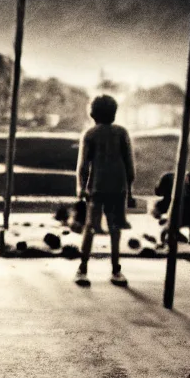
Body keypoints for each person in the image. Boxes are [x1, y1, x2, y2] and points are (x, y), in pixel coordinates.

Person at [75, 95, 136, 287]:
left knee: (90, 227)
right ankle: (116, 270)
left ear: (92, 113)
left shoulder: (90, 134)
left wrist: (80, 187)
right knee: (115, 228)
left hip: (97, 186)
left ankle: (82, 269)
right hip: (118, 187)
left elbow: (83, 165)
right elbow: (129, 165)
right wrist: (130, 189)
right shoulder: (121, 133)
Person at [153, 171, 190, 245]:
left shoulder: (167, 177)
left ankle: (170, 232)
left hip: (171, 206)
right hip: (186, 207)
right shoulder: (188, 177)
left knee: (167, 215)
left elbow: (158, 192)